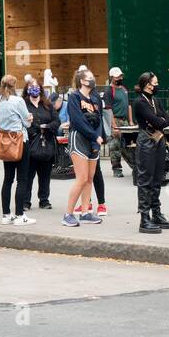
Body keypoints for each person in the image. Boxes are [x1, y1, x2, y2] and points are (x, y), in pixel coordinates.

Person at [131, 71, 169, 234]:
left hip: (159, 139)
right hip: (146, 140)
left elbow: (166, 119)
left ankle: (156, 213)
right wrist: (159, 121)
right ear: (147, 84)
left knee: (157, 178)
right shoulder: (140, 102)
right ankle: (144, 218)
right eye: (155, 83)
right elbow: (158, 120)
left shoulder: (154, 100)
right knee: (145, 179)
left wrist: (160, 121)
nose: (157, 85)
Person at [62, 70, 104, 227]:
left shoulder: (95, 98)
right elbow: (78, 121)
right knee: (81, 178)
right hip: (78, 138)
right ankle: (68, 214)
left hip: (92, 140)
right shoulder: (74, 97)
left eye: (93, 76)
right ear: (81, 81)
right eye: (89, 78)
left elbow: (99, 119)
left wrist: (96, 141)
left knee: (89, 178)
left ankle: (86, 212)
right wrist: (94, 136)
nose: (92, 79)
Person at [0, 74, 35, 225]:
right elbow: (27, 123)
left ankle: (6, 215)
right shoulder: (18, 101)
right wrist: (29, 118)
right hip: (19, 140)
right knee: (22, 179)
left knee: (7, 179)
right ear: (14, 85)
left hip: (5, 141)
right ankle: (19, 215)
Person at [24, 79, 59, 210]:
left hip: (46, 144)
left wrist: (47, 127)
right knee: (28, 175)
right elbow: (21, 122)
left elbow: (57, 121)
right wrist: (34, 131)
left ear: (40, 88)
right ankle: (25, 201)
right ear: (27, 89)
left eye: (36, 86)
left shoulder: (48, 105)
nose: (34, 89)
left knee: (45, 175)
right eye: (31, 86)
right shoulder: (23, 104)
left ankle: (44, 200)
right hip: (30, 144)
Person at [102, 67, 129, 178]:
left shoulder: (124, 89)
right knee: (115, 146)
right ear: (112, 77)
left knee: (128, 145)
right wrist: (114, 125)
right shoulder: (108, 91)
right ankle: (117, 168)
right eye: (117, 76)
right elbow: (108, 110)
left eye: (120, 76)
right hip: (115, 120)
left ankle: (135, 165)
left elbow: (128, 105)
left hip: (125, 120)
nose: (120, 78)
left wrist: (130, 121)